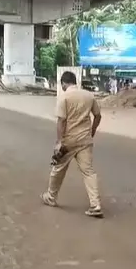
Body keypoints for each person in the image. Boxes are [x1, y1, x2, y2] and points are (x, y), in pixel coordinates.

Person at [41, 71, 103, 217]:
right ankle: (95, 204)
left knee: (58, 169)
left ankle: (51, 197)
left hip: (68, 141)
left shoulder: (64, 97)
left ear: (63, 83)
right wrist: (92, 130)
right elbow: (98, 115)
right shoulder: (89, 96)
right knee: (89, 172)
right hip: (85, 140)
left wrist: (59, 142)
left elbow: (61, 121)